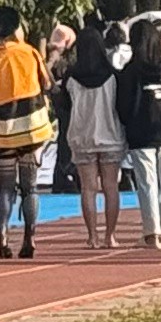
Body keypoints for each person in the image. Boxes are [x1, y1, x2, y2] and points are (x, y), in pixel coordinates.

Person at [0, 8, 50, 259]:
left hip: (1, 131)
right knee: (30, 187)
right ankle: (30, 236)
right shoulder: (31, 53)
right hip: (31, 129)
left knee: (5, 188)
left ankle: (3, 235)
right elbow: (46, 83)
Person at [115, 19, 161, 249]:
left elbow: (123, 104)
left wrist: (129, 122)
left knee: (147, 183)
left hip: (142, 133)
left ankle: (152, 235)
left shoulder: (131, 71)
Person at [63, 23, 128, 251]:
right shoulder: (113, 76)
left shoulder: (71, 78)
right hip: (110, 136)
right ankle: (111, 235)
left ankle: (92, 236)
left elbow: (65, 106)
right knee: (111, 187)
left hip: (82, 137)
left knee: (88, 189)